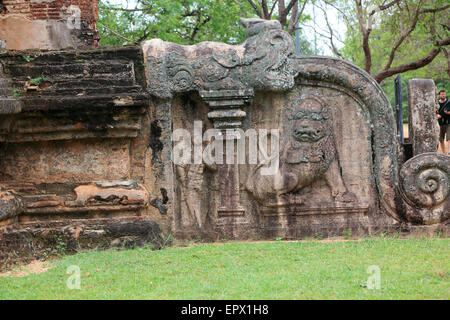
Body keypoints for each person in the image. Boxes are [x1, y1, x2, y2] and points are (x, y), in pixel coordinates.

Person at [436, 89, 450, 154]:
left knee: (449, 138)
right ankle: (444, 153)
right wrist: (437, 115)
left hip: (448, 122)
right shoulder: (437, 103)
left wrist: (448, 113)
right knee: (441, 139)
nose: (443, 95)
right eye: (442, 94)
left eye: (444, 94)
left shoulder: (449, 102)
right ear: (439, 95)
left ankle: (449, 152)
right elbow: (434, 112)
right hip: (440, 123)